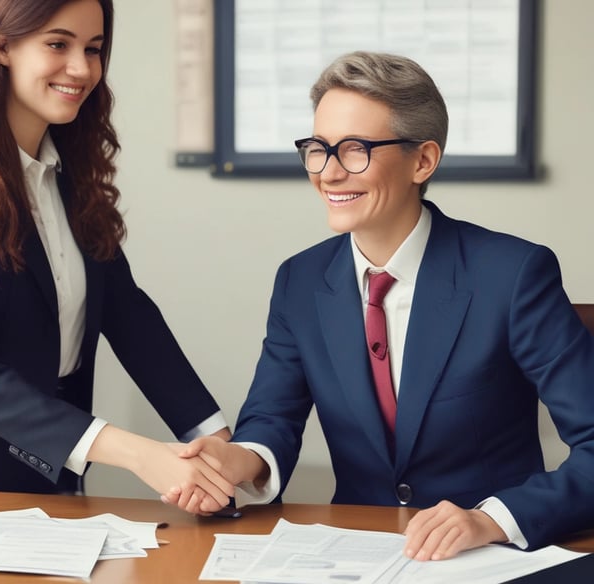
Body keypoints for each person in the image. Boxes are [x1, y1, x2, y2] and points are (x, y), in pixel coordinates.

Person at [163, 51, 594, 560]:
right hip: (356, 555)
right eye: (318, 149)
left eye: (354, 150)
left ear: (423, 160)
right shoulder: (299, 282)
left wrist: (490, 519)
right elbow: (272, 418)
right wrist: (237, 460)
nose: (327, 173)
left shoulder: (514, 274)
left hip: (486, 559)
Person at [0, 0, 233, 505]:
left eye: (93, 49)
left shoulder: (69, 173)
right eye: (57, 44)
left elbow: (129, 315)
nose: (82, 69)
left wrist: (213, 439)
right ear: (1, 46)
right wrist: (137, 454)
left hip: (50, 478)